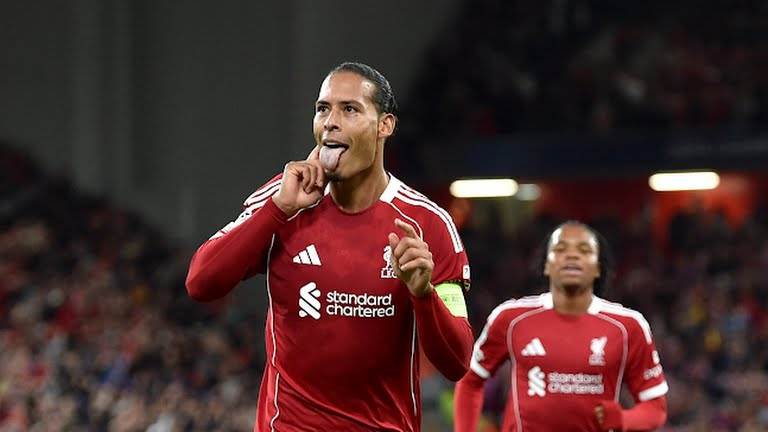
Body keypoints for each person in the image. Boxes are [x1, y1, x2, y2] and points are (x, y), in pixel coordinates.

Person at [186, 62, 473, 431]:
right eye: (323, 109)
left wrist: (423, 294)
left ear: (385, 125)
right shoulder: (284, 198)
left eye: (349, 109)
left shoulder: (427, 224)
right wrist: (277, 210)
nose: (330, 122)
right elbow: (200, 283)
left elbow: (457, 362)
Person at [454, 222, 668, 431]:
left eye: (584, 250)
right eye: (560, 249)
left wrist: (623, 419)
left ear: (598, 268)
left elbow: (655, 408)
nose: (572, 255)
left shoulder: (628, 326)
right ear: (547, 265)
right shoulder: (511, 318)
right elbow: (470, 381)